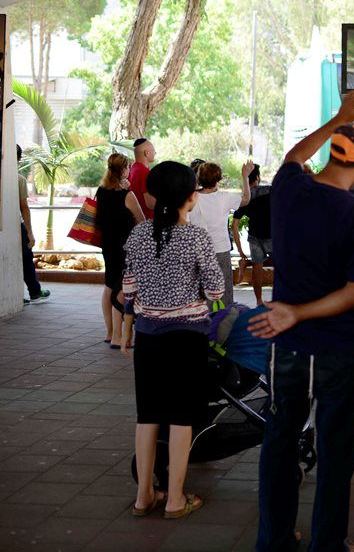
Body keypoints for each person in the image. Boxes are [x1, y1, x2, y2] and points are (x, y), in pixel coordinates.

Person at [247, 91, 354, 552]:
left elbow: (293, 156)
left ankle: (275, 540)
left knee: (279, 444)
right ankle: (328, 542)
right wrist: (299, 312)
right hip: (340, 351)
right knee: (337, 450)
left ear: (331, 153)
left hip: (287, 349)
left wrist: (339, 116)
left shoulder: (288, 190)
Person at [123, 161, 225, 520]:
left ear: (151, 196)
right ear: (190, 198)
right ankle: (176, 498)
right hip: (187, 339)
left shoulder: (138, 235)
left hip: (148, 337)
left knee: (147, 416)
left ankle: (143, 496)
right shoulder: (196, 236)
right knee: (181, 417)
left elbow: (129, 289)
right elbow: (216, 289)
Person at [95, 153, 144, 348]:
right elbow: (141, 221)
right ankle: (118, 336)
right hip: (125, 246)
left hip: (108, 245)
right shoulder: (127, 195)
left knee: (109, 286)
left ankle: (109, 332)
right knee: (122, 289)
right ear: (123, 170)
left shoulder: (101, 191)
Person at [189, 161, 253, 306]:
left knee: (201, 292)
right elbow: (246, 199)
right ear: (218, 179)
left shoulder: (191, 198)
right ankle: (223, 322)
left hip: (197, 251)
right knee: (223, 292)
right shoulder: (225, 197)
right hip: (220, 249)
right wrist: (245, 176)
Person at [232, 164, 272, 305]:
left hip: (254, 237)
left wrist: (240, 251)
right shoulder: (270, 190)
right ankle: (280, 299)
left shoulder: (244, 198)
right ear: (258, 178)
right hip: (272, 236)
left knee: (257, 268)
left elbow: (234, 225)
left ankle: (259, 301)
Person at [17, 145, 50, 305]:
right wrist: (30, 232)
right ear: (18, 159)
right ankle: (35, 292)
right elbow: (24, 207)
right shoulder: (19, 180)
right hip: (16, 225)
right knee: (26, 258)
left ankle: (17, 295)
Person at [129, 138, 157, 220]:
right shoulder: (144, 172)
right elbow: (151, 204)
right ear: (147, 153)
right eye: (153, 150)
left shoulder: (132, 168)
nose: (155, 153)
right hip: (147, 222)